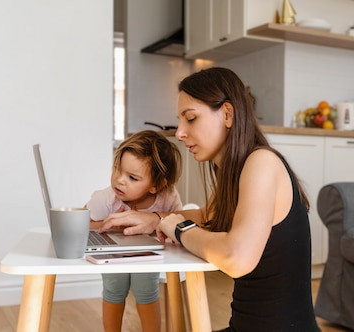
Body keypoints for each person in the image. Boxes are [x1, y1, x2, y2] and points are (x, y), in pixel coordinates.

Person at [100, 67, 320, 331]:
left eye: (191, 119)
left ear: (227, 114)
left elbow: (236, 258)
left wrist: (179, 228)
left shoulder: (261, 163)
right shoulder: (237, 169)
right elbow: (208, 217)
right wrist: (154, 219)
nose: (180, 133)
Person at [86, 130, 182, 332]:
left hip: (148, 255)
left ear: (156, 185)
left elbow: (179, 222)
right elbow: (85, 224)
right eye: (118, 171)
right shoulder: (106, 198)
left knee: (147, 294)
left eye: (132, 177)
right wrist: (110, 224)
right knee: (113, 292)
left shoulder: (167, 198)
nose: (120, 181)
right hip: (112, 254)